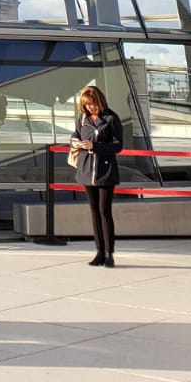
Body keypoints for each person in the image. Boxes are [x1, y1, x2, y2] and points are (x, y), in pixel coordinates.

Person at [72, 83, 124, 266]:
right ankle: (99, 251)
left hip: (105, 170)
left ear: (99, 101)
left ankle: (110, 253)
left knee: (104, 212)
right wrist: (76, 143)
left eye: (92, 104)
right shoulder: (82, 119)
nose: (90, 107)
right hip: (87, 169)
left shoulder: (111, 119)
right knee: (94, 212)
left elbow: (118, 145)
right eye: (87, 105)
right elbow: (75, 135)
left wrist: (96, 146)